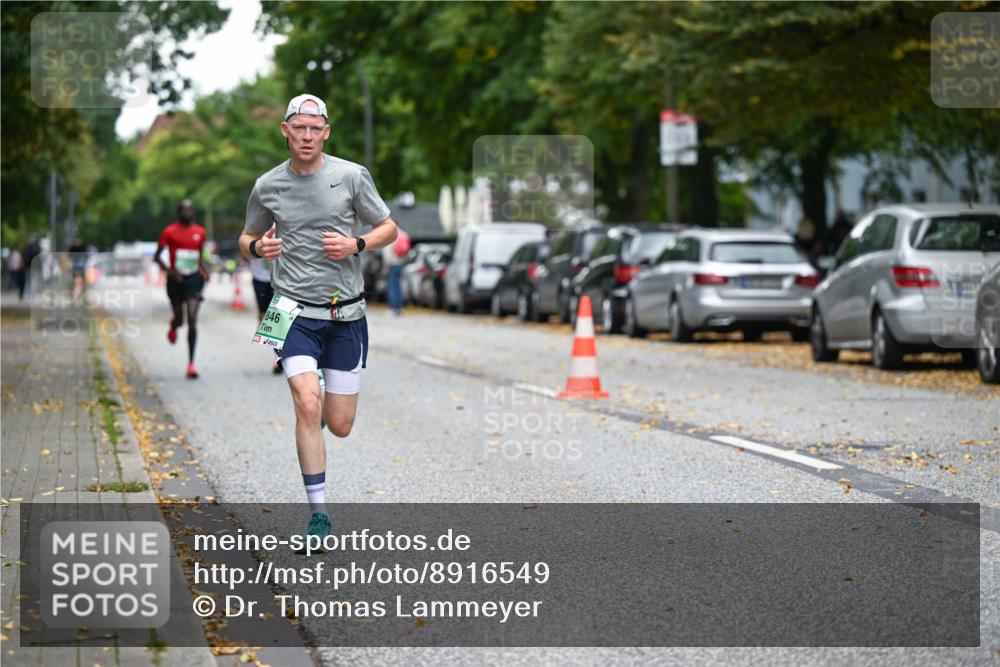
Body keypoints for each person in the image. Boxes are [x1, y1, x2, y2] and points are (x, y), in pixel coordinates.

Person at [239, 93, 397, 542]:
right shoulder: (267, 185)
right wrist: (257, 248)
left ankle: (322, 411)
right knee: (306, 403)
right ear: (285, 131)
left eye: (315, 128)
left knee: (340, 424)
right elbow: (247, 236)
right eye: (298, 128)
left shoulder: (350, 176)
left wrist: (357, 245)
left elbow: (389, 227)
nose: (306, 136)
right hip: (287, 307)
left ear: (325, 132)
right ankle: (319, 516)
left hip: (345, 310)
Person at [156, 199, 209, 379]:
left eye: (190, 210)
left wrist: (204, 269)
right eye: (184, 210)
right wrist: (169, 271)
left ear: (193, 212)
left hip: (194, 279)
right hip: (175, 281)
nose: (187, 213)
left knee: (192, 319)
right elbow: (157, 256)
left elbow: (199, 255)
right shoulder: (169, 231)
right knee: (181, 319)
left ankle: (191, 364)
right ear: (178, 212)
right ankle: (174, 324)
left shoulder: (200, 232)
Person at [249, 254, 284, 375]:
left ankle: (277, 358)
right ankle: (263, 323)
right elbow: (245, 250)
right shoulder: (254, 233)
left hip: (278, 278)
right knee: (263, 314)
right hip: (259, 277)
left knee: (276, 317)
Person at [382, 227, 411, 315]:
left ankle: (393, 308)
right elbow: (407, 250)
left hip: (393, 263)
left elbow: (387, 251)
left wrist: (386, 265)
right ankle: (400, 307)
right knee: (399, 286)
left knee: (392, 287)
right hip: (401, 263)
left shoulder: (390, 233)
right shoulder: (404, 233)